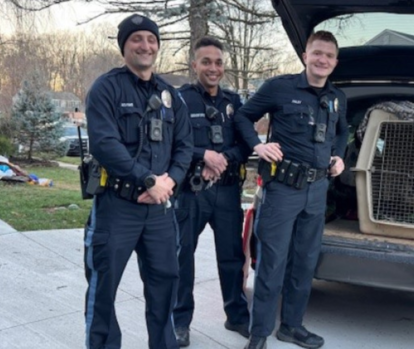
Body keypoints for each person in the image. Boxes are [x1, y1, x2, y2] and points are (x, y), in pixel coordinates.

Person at [83, 14, 194, 349]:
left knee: (165, 285)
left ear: (157, 46)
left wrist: (169, 182)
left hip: (160, 210)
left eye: (151, 39)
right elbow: (105, 144)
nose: (145, 45)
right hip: (118, 208)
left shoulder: (170, 95)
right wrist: (148, 180)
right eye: (136, 39)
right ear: (124, 46)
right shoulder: (107, 88)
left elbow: (185, 146)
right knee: (103, 288)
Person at [234, 31, 349, 349]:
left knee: (305, 261)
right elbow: (243, 117)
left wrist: (339, 157)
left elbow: (342, 131)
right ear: (305, 56)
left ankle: (292, 326)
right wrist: (258, 145)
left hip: (317, 191)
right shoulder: (279, 87)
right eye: (317, 53)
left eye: (328, 55)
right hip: (283, 190)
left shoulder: (337, 98)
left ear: (335, 62)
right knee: (273, 262)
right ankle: (259, 333)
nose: (322, 60)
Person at [173, 36, 252, 347]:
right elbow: (172, 142)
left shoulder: (234, 103)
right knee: (182, 258)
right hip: (191, 192)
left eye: (218, 62)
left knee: (232, 257)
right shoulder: (179, 100)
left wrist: (222, 160)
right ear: (194, 65)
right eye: (206, 61)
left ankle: (237, 316)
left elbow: (246, 143)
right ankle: (180, 322)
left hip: (227, 191)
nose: (213, 68)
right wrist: (203, 155)